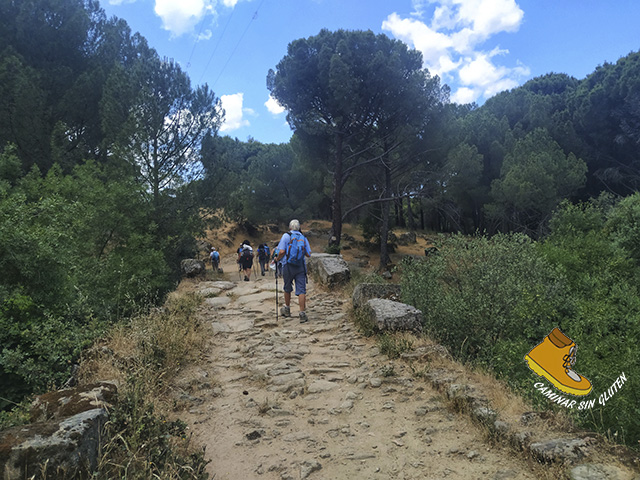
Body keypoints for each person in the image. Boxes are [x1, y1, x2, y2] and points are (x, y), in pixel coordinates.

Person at [276, 219, 311, 323]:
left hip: (288, 265)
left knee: (287, 287)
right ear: (299, 227)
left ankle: (287, 309)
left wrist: (277, 259)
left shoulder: (286, 236)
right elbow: (308, 254)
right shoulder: (303, 238)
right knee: (301, 290)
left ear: (290, 227)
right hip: (300, 266)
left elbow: (282, 251)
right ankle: (302, 313)